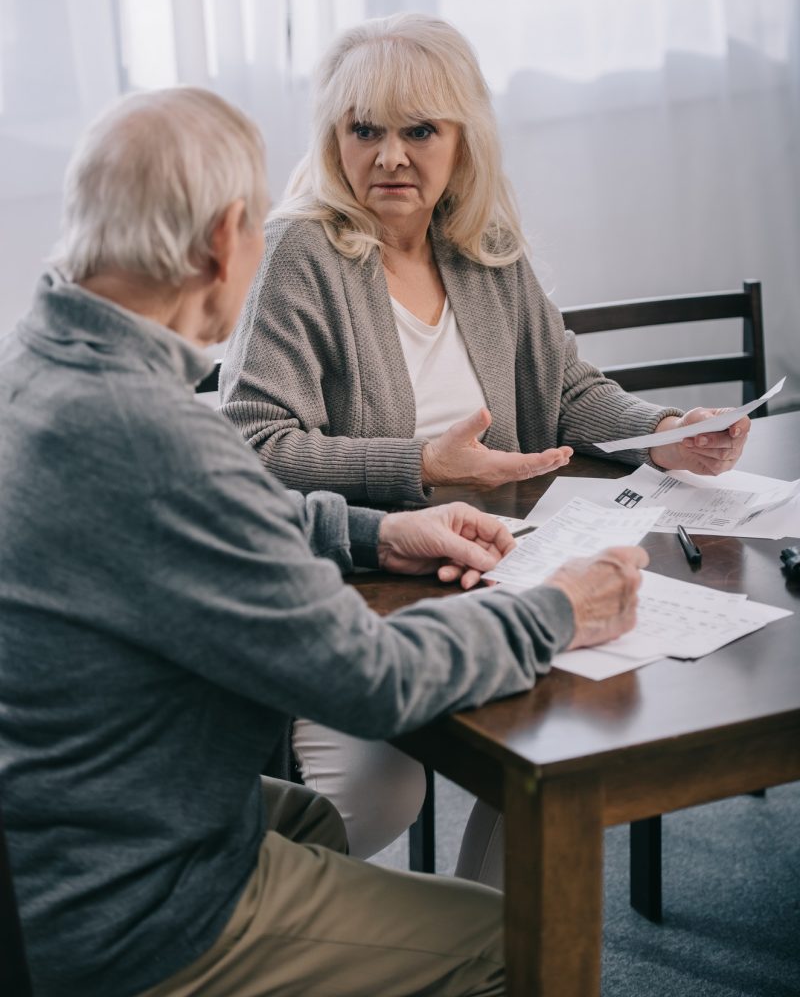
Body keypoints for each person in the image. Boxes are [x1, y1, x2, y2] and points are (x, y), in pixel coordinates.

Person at [0, 86, 648, 997]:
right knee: (520, 937)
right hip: (125, 905)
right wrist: (556, 610)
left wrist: (383, 534)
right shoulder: (157, 436)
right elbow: (371, 679)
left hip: (55, 833)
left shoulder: (38, 365)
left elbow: (210, 521)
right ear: (227, 238)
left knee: (312, 821)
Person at [219, 12, 751, 875]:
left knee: (564, 732)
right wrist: (423, 465)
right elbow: (252, 449)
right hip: (353, 582)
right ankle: (249, 917)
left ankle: (485, 946)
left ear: (462, 141)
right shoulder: (301, 251)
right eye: (366, 131)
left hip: (494, 561)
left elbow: (568, 391)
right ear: (334, 139)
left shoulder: (485, 247)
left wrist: (661, 434)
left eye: (419, 131)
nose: (391, 156)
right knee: (379, 788)